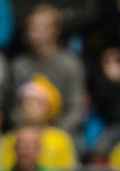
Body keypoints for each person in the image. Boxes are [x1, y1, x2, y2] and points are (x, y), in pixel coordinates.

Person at [9, 4, 86, 137]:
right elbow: (13, 109)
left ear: (56, 30)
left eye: (42, 27)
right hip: (26, 129)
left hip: (62, 130)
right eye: (32, 27)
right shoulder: (19, 65)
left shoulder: (71, 64)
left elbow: (76, 110)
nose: (35, 32)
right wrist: (28, 128)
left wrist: (53, 132)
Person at [0, 76, 77, 171]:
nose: (31, 106)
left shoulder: (61, 140)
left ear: (49, 107)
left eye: (37, 102)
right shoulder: (9, 139)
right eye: (26, 102)